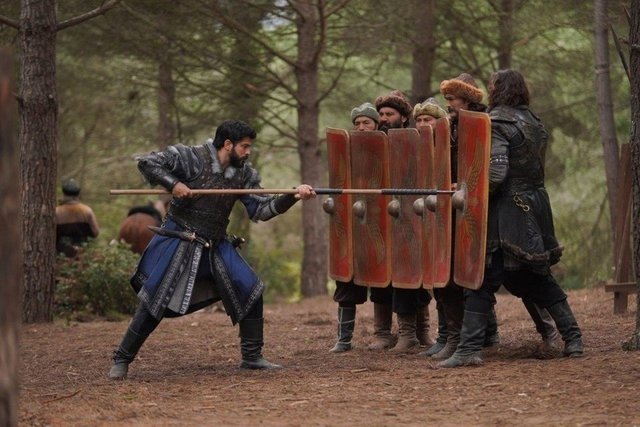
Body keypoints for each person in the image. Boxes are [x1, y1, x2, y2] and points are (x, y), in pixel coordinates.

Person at [108, 120, 316, 379]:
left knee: (250, 287)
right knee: (156, 298)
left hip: (216, 243)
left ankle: (252, 356)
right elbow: (147, 162)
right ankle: (122, 358)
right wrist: (174, 184)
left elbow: (261, 210)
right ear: (228, 144)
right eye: (244, 146)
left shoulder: (243, 174)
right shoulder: (191, 158)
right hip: (181, 239)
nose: (248, 151)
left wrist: (292, 196)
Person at [438, 69, 583, 368]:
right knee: (534, 277)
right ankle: (574, 339)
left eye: (492, 86)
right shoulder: (533, 120)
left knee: (481, 279)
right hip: (535, 203)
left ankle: (469, 349)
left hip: (507, 210)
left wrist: (469, 190)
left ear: (498, 90)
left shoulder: (497, 122)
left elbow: (496, 174)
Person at [373, 90, 433, 351]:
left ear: (404, 117)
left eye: (390, 114)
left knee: (411, 275)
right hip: (381, 218)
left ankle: (417, 333)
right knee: (381, 275)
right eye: (381, 114)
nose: (384, 118)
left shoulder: (417, 140)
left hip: (411, 215)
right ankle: (384, 333)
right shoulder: (374, 142)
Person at [329, 102, 380, 353]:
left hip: (380, 222)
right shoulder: (345, 150)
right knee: (347, 280)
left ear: (376, 125)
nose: (361, 127)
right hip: (351, 223)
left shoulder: (386, 149)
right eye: (357, 123)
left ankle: (389, 334)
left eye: (366, 123)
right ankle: (344, 339)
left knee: (385, 282)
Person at [55, 178, 100, 257]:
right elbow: (95, 232)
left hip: (61, 254)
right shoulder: (87, 211)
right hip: (83, 252)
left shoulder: (56, 211)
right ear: (78, 194)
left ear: (64, 193)